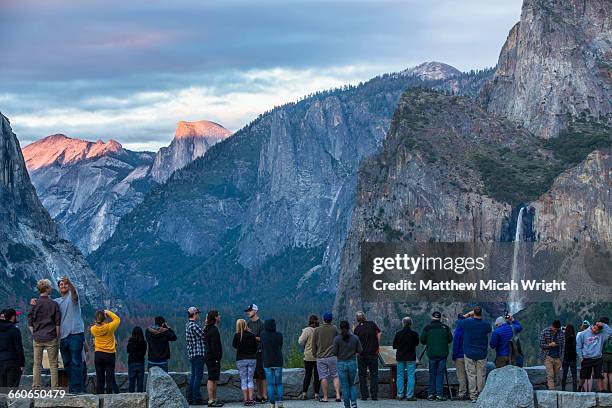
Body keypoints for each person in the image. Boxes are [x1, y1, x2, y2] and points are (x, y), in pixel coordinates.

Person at [28, 279, 61, 388]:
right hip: (51, 337)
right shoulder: (54, 304)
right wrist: (57, 336)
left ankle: (36, 387)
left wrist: (34, 334)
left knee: (37, 364)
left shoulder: (34, 304)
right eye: (50, 287)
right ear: (47, 289)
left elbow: (30, 323)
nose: (51, 288)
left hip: (37, 338)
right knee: (53, 364)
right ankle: (54, 388)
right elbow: (57, 323)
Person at [458, 306, 491, 402]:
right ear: (482, 313)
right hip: (482, 353)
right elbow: (489, 329)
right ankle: (481, 394)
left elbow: (460, 319)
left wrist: (468, 314)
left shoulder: (467, 322)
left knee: (471, 375)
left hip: (469, 353)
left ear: (474, 313)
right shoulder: (486, 325)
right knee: (481, 375)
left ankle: (473, 396)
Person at [420, 311, 452, 402]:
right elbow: (450, 339)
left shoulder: (428, 328)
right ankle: (439, 394)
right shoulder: (445, 327)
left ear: (432, 317)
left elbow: (422, 340)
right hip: (442, 354)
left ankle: (431, 394)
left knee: (432, 374)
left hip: (431, 354)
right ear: (440, 318)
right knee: (440, 374)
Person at [312, 312, 341, 403]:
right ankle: (337, 395)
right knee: (335, 376)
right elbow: (339, 340)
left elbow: (313, 344)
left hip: (321, 357)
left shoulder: (317, 330)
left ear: (323, 319)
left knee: (323, 377)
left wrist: (314, 354)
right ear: (331, 319)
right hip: (333, 356)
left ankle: (325, 397)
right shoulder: (334, 328)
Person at [577, 319, 612, 392]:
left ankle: (601, 390)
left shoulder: (602, 334)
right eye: (594, 328)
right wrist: (581, 357)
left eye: (597, 330)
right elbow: (578, 346)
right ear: (592, 325)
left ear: (600, 330)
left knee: (599, 375)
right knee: (583, 376)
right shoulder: (583, 333)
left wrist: (604, 325)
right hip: (587, 358)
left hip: (597, 358)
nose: (595, 330)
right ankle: (579, 387)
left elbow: (610, 333)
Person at [90, 310, 120, 394]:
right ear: (105, 319)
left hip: (98, 354)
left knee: (100, 379)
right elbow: (117, 319)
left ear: (96, 319)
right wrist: (108, 312)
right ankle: (108, 400)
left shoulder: (93, 329)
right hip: (109, 355)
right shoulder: (110, 327)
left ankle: (100, 400)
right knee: (109, 378)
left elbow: (97, 326)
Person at [353, 312, 381, 401]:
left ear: (357, 319)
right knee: (374, 375)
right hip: (373, 354)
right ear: (364, 317)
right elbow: (379, 333)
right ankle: (374, 396)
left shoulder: (356, 329)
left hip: (361, 355)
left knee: (362, 375)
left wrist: (357, 351)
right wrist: (377, 344)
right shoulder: (372, 324)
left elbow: (355, 343)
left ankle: (364, 396)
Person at [334, 321, 362, 408]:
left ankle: (347, 405)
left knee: (345, 386)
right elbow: (360, 350)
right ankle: (354, 403)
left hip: (341, 363)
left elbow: (334, 352)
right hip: (352, 363)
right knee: (352, 384)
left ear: (340, 328)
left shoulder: (337, 339)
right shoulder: (355, 338)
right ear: (349, 327)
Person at [392, 316, 419, 401]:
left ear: (403, 323)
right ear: (411, 324)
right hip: (411, 357)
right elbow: (417, 343)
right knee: (411, 376)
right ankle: (409, 395)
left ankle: (400, 394)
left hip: (400, 357)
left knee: (399, 376)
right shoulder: (414, 334)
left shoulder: (398, 333)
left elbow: (394, 345)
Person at [233, 319, 258, 406]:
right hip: (251, 359)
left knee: (243, 380)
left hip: (240, 360)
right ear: (245, 325)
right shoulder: (252, 335)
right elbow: (255, 347)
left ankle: (245, 400)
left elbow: (234, 346)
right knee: (250, 379)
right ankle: (251, 399)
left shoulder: (237, 335)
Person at [246, 304, 267, 403]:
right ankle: (259, 395)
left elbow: (263, 338)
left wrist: (252, 337)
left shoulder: (261, 324)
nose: (248, 312)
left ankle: (265, 396)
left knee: (262, 375)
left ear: (255, 311)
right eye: (247, 311)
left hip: (260, 352)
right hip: (251, 353)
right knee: (256, 376)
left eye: (250, 311)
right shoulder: (248, 324)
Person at [261, 319, 284, 408]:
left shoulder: (263, 335)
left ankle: (272, 404)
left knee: (270, 384)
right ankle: (280, 403)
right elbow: (280, 346)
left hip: (267, 361)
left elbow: (262, 346)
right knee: (279, 383)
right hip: (278, 361)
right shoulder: (279, 335)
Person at [186, 307, 206, 406]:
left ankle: (190, 398)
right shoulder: (194, 326)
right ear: (194, 314)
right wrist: (206, 326)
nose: (198, 315)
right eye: (197, 313)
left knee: (193, 377)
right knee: (198, 377)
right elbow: (204, 335)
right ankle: (197, 398)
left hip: (192, 354)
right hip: (198, 354)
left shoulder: (188, 325)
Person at [0, 308, 25, 388]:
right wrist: (21, 363)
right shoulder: (14, 330)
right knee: (12, 390)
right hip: (12, 362)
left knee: (2, 391)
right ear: (13, 317)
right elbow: (19, 348)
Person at [204, 310, 224, 407]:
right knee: (212, 378)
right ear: (215, 317)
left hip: (210, 357)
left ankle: (214, 399)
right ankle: (211, 400)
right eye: (218, 315)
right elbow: (214, 346)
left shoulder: (208, 328)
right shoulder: (213, 330)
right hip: (213, 358)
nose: (220, 316)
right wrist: (217, 357)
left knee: (214, 378)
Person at [298, 314, 320, 400]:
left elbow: (300, 341)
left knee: (307, 375)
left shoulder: (307, 330)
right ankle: (316, 394)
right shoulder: (319, 330)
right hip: (318, 356)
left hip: (308, 356)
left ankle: (304, 394)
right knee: (317, 376)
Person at [539, 319, 564, 390]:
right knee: (550, 375)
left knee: (556, 376)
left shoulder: (561, 333)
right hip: (548, 356)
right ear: (552, 326)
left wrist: (556, 344)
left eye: (557, 329)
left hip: (558, 357)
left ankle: (550, 387)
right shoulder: (545, 331)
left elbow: (562, 345)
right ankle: (551, 392)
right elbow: (541, 344)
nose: (555, 330)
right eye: (554, 329)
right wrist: (549, 345)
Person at [452, 314, 468, 400]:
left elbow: (456, 344)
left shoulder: (458, 329)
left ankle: (462, 393)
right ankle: (472, 392)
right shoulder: (468, 329)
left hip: (460, 356)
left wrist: (454, 356)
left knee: (461, 375)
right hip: (469, 355)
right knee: (470, 374)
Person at [127, 326, 147, 393]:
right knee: (140, 382)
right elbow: (143, 353)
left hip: (131, 363)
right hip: (140, 363)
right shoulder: (144, 343)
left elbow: (128, 351)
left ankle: (131, 398)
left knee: (131, 382)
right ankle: (141, 398)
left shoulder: (130, 342)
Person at [561, 324, 577, 392]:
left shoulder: (564, 337)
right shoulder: (574, 337)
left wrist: (563, 329)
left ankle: (563, 389)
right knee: (574, 376)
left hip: (566, 358)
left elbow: (561, 330)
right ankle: (574, 390)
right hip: (573, 359)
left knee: (564, 375)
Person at [601, 317, 612, 391]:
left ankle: (605, 390)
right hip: (611, 354)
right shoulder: (611, 331)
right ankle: (611, 390)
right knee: (611, 374)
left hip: (604, 354)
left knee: (605, 373)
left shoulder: (602, 332)